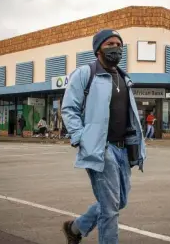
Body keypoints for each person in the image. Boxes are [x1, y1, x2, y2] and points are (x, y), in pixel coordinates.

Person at [61, 29, 146, 244]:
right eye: (110, 44)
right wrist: (81, 138)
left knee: (120, 202)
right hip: (101, 149)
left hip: (123, 150)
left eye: (119, 44)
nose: (116, 48)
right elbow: (69, 108)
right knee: (109, 210)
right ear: (98, 49)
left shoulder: (125, 78)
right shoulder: (85, 73)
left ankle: (75, 227)